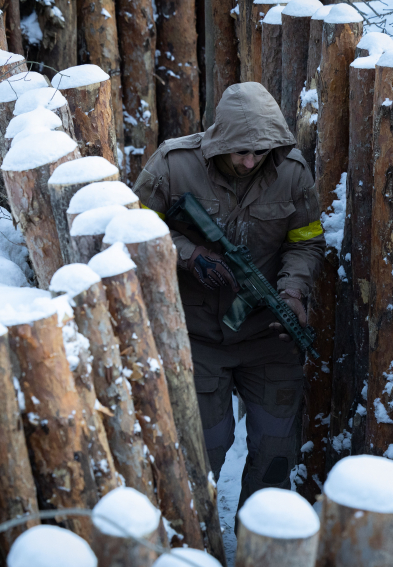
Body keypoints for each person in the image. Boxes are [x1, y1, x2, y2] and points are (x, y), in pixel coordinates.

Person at [132, 82, 324, 506]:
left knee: (276, 459)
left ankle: (261, 545)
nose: (250, 161)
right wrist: (188, 255)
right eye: (240, 152)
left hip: (269, 340)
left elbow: (306, 240)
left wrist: (292, 291)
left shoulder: (291, 170)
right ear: (220, 140)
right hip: (195, 339)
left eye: (259, 152)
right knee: (201, 456)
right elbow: (131, 226)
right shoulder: (173, 164)